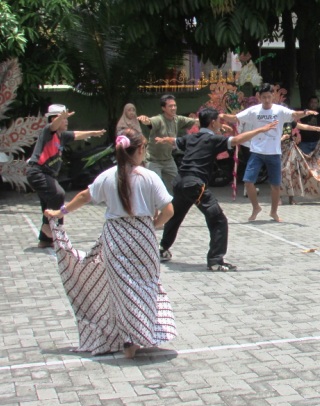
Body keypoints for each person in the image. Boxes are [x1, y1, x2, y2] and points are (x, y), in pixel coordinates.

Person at [44, 129, 176, 359]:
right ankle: (140, 333)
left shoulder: (107, 176)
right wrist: (155, 224)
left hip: (116, 236)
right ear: (140, 150)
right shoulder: (149, 176)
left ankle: (129, 338)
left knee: (123, 288)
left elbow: (85, 196)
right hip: (142, 236)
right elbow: (169, 210)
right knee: (146, 285)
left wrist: (59, 211)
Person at [157, 108, 278, 271]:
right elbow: (236, 140)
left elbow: (174, 141)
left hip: (179, 183)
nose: (221, 124)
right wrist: (261, 129)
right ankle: (215, 260)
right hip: (194, 185)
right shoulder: (212, 139)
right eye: (219, 121)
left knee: (175, 216)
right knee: (218, 220)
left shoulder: (192, 138)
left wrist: (163, 139)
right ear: (213, 122)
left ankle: (163, 249)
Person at [221, 83, 318, 222]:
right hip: (256, 151)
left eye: (269, 96)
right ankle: (256, 207)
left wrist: (305, 112)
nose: (266, 100)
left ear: (273, 96)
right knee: (248, 182)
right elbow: (236, 118)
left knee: (275, 185)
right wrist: (221, 116)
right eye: (264, 97)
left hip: (274, 152)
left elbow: (294, 115)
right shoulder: (253, 110)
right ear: (259, 97)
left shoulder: (280, 110)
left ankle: (274, 212)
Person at [26, 104, 106, 248]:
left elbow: (77, 134)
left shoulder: (62, 136)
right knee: (59, 194)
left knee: (49, 203)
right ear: (55, 119)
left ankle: (45, 240)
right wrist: (60, 117)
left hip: (47, 174)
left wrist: (94, 133)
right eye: (64, 119)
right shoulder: (47, 132)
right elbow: (53, 125)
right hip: (38, 172)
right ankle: (48, 227)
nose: (66, 121)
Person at [137, 94, 198, 191]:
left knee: (176, 186)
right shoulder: (159, 119)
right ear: (163, 108)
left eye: (175, 105)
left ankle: (172, 206)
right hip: (153, 161)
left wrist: (212, 123)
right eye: (170, 106)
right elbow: (149, 121)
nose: (173, 108)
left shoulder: (177, 119)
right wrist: (144, 120)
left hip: (168, 160)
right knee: (153, 187)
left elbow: (195, 121)